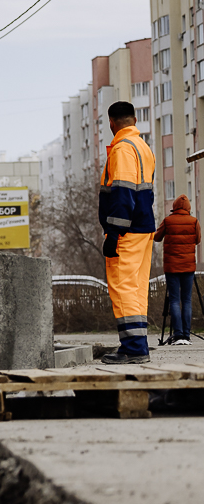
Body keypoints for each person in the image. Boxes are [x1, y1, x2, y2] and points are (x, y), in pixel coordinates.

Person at [98, 101, 157, 364]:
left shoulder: (122, 149)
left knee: (122, 288)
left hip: (128, 231)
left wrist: (113, 233)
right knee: (136, 288)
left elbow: (123, 193)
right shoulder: (143, 147)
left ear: (111, 123)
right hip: (144, 228)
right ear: (134, 119)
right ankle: (137, 345)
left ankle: (133, 348)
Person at [154, 194, 200, 345]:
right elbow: (198, 239)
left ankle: (178, 335)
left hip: (172, 266)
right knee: (186, 300)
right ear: (188, 208)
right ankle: (186, 336)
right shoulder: (194, 221)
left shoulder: (168, 221)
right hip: (188, 266)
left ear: (174, 206)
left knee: (174, 300)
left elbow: (157, 237)